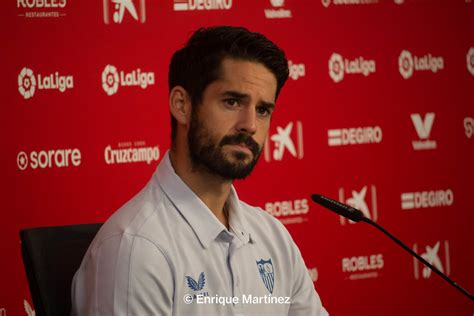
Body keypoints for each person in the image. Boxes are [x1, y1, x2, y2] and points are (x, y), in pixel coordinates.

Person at [71, 26, 328, 316]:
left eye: (263, 110)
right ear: (182, 106)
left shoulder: (273, 237)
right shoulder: (135, 249)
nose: (250, 125)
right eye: (232, 102)